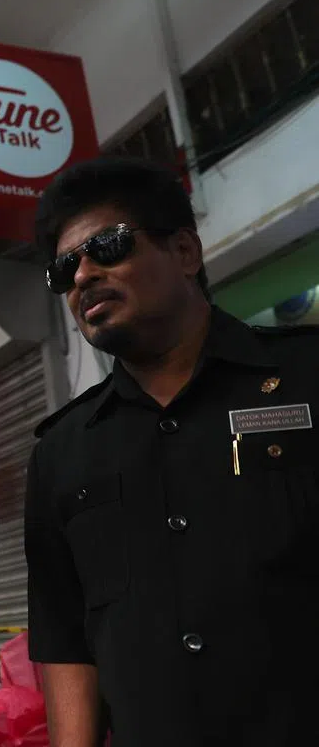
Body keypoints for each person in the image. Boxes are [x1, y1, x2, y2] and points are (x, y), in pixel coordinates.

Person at [25, 155, 319, 746]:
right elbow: (66, 643)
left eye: (107, 247)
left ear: (185, 252)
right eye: (64, 269)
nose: (82, 276)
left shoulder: (306, 376)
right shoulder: (62, 452)